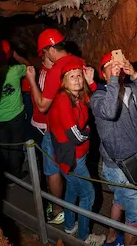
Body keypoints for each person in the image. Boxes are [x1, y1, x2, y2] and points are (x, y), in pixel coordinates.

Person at [91, 52, 137, 246]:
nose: (116, 69)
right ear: (104, 75)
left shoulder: (129, 90)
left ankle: (111, 237)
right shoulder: (98, 97)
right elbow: (110, 111)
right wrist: (113, 79)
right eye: (110, 66)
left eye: (117, 65)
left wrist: (135, 75)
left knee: (119, 200)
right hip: (118, 166)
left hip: (134, 160)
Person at [47, 55, 105, 246]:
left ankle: (70, 226)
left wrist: (91, 82)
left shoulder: (77, 96)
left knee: (72, 191)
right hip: (73, 159)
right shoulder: (63, 100)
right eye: (72, 76)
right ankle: (84, 237)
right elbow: (76, 136)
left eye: (79, 75)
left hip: (74, 156)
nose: (78, 79)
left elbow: (100, 103)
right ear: (63, 81)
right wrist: (89, 131)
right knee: (89, 195)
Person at [21, 28, 69, 224]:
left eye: (44, 54)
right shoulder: (60, 70)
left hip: (52, 127)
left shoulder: (53, 73)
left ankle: (58, 208)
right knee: (55, 168)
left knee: (53, 169)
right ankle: (59, 206)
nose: (44, 58)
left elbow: (42, 105)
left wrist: (32, 80)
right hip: (52, 127)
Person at [0, 40, 28, 177]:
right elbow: (29, 67)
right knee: (15, 146)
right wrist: (17, 57)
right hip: (15, 115)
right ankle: (15, 173)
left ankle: (4, 174)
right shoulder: (15, 71)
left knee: (2, 146)